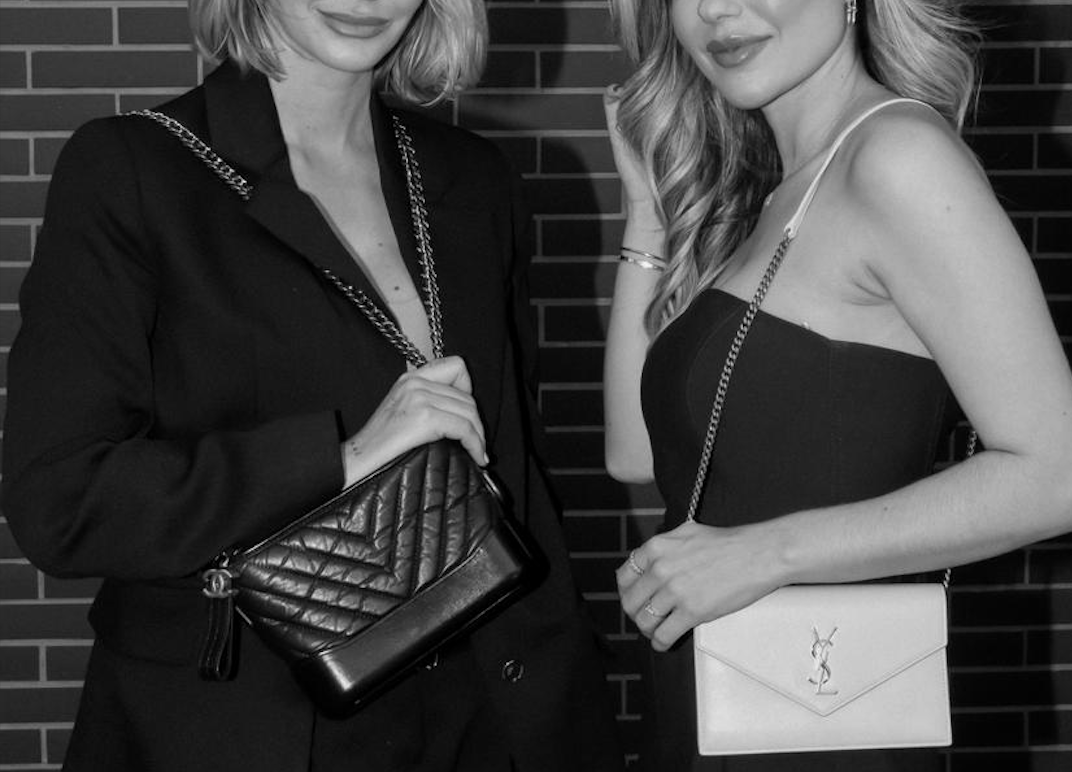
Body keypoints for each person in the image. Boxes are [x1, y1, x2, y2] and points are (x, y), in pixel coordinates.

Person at [1, 0, 625, 770]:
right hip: (243, 730)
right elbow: (61, 499)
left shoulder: (473, 178)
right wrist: (340, 459)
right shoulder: (134, 169)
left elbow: (518, 473)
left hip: (483, 714)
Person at [602, 0, 1072, 770]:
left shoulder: (897, 158)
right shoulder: (776, 191)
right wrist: (646, 214)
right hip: (721, 700)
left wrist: (765, 554)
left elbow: (1061, 481)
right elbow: (635, 454)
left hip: (824, 712)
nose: (715, 9)